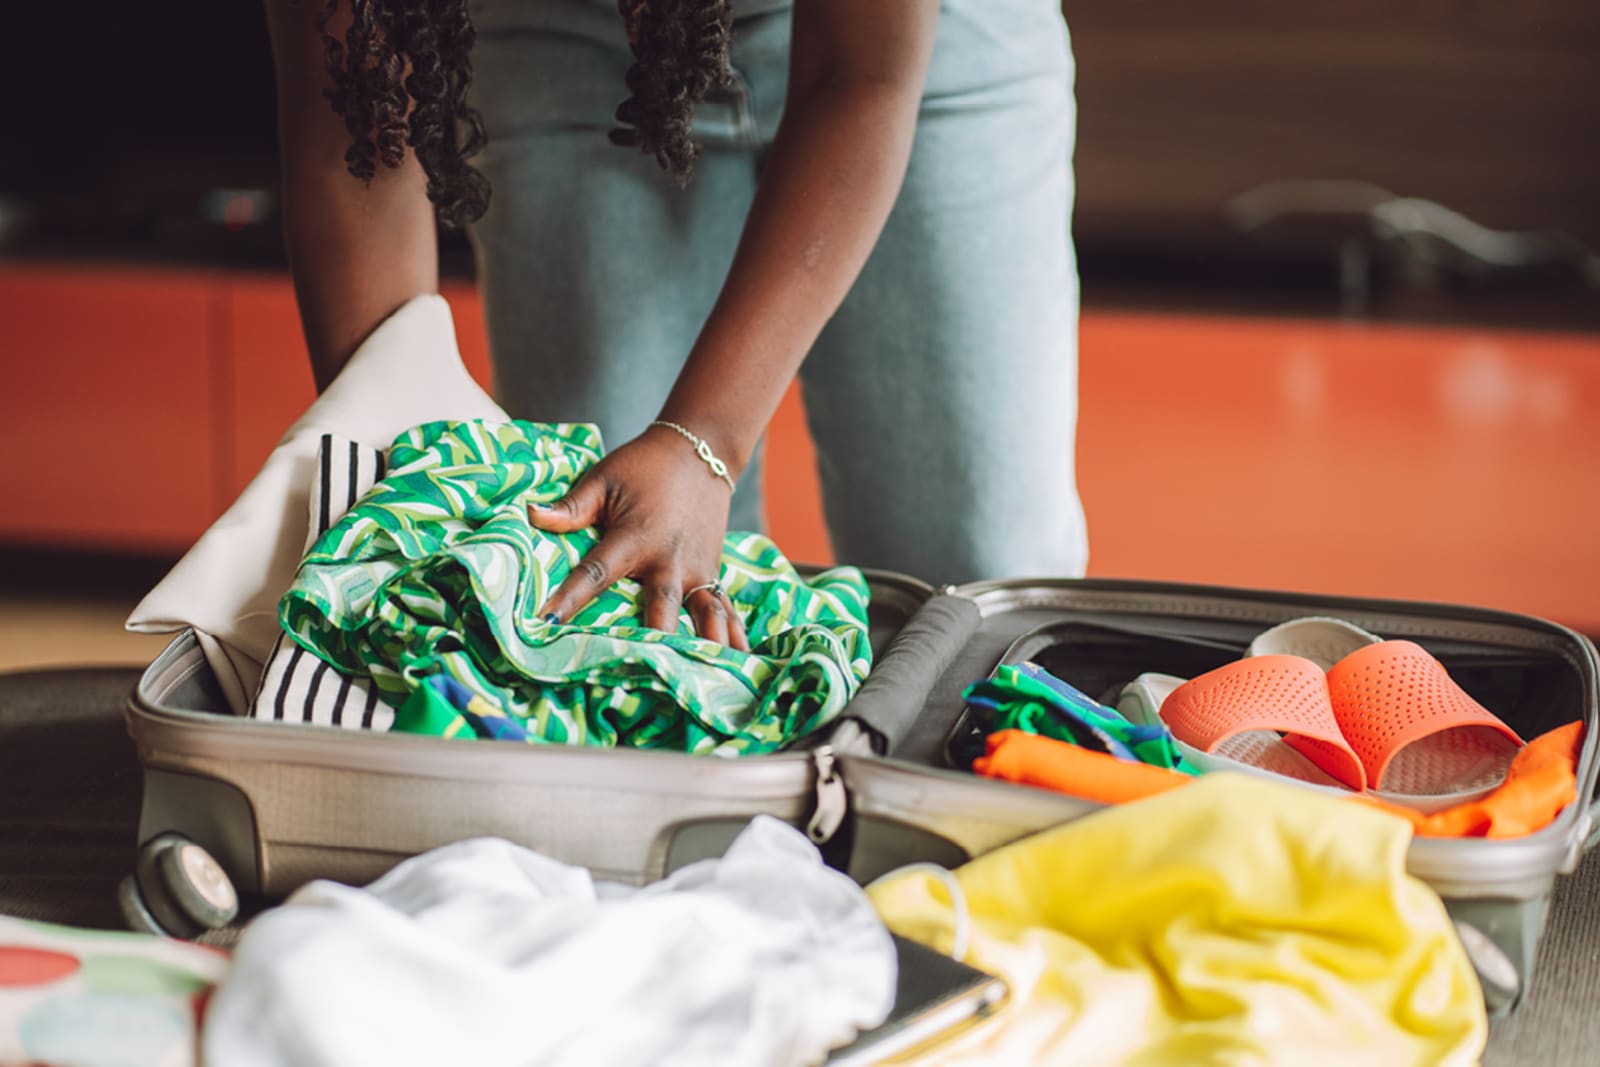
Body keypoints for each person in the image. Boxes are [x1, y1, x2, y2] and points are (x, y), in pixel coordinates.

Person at [265, 0, 1087, 650]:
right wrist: (391, 472)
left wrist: (706, 440)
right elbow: (351, 119)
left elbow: (859, 77)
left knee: (980, 573)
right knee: (618, 596)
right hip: (562, 43)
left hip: (919, 45)